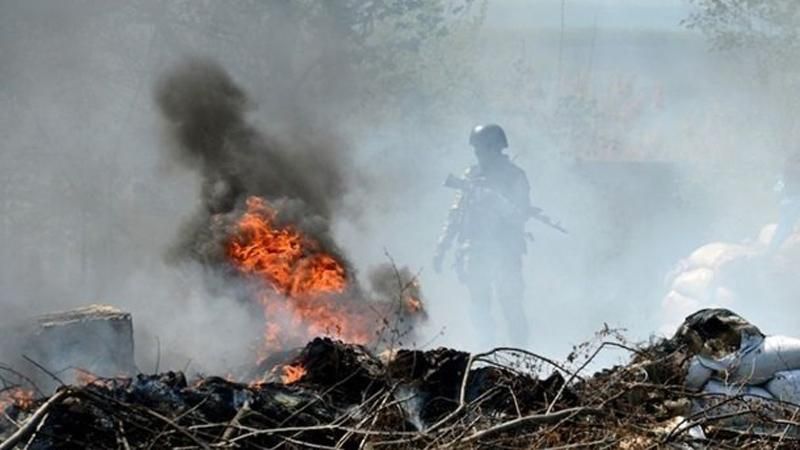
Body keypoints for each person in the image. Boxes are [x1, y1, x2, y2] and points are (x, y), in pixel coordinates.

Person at [433, 124, 532, 346]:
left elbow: (521, 215)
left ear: (494, 148)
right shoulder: (472, 175)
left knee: (511, 304)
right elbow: (456, 213)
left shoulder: (515, 176)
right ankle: (485, 349)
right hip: (474, 250)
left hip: (506, 250)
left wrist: (498, 203)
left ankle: (520, 353)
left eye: (481, 148)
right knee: (479, 305)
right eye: (476, 149)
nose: (477, 153)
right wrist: (442, 247)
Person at [767, 153, 800, 254]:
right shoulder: (789, 172)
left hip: (788, 201)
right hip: (793, 201)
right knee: (784, 227)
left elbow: (777, 189)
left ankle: (770, 252)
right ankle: (770, 252)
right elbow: (778, 188)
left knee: (784, 228)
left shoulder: (785, 172)